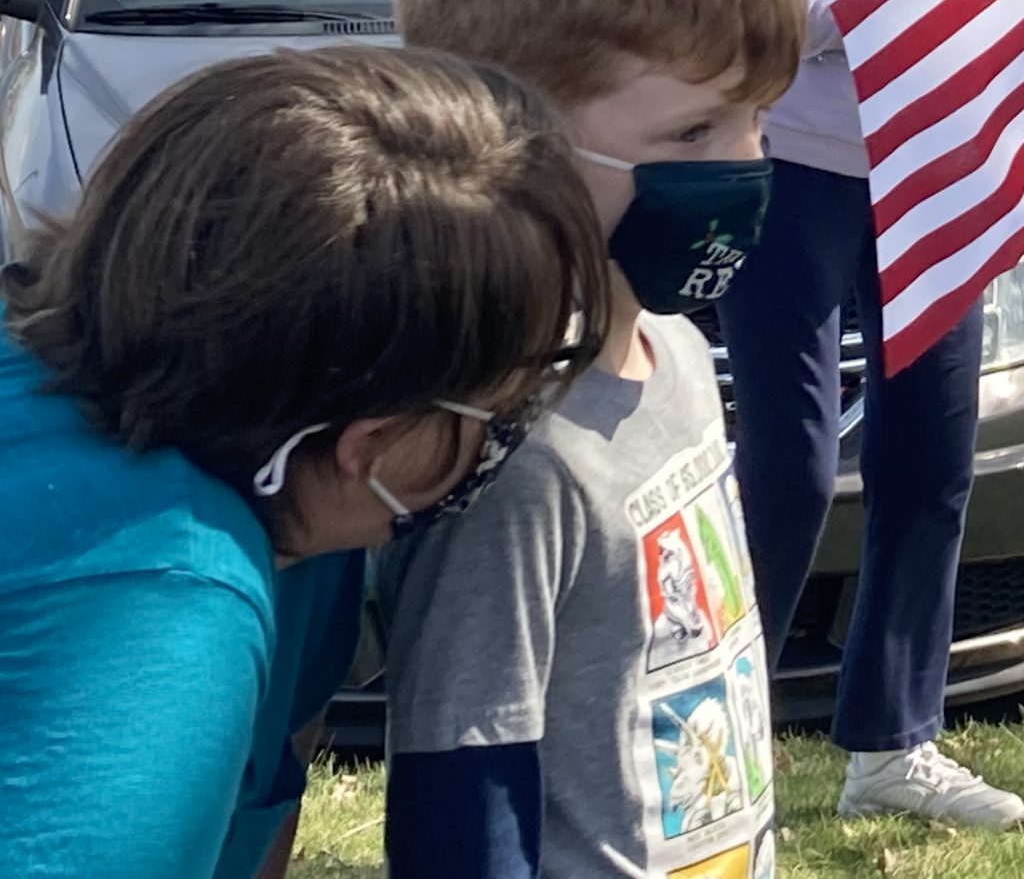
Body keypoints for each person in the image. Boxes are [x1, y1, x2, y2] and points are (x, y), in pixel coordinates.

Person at [0, 47, 608, 879]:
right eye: (506, 404)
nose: (518, 429)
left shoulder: (282, 507)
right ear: (370, 445)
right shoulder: (165, 612)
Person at [378, 0, 804, 879]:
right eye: (694, 135)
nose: (746, 164)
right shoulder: (508, 465)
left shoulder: (681, 358)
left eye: (756, 120)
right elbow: (460, 794)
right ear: (510, 142)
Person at [711, 0, 1024, 829]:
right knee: (786, 462)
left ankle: (892, 747)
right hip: (793, 157)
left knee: (930, 459)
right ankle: (716, 733)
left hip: (937, 163)